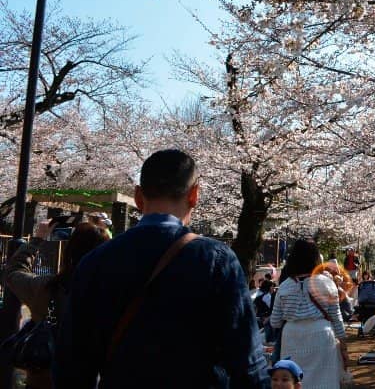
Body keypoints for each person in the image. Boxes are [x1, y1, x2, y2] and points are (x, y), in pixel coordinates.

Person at [54, 149, 269, 388]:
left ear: (138, 196)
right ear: (194, 195)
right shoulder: (217, 261)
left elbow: (71, 364)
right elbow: (247, 361)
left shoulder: (95, 262)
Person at [2, 221, 107, 389]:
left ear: (69, 251)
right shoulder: (109, 294)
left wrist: (37, 239)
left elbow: (14, 272)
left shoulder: (47, 288)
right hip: (86, 379)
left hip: (43, 379)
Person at [269, 239, 348, 388]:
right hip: (322, 336)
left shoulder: (285, 286)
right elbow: (337, 318)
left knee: (295, 379)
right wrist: (343, 346)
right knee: (323, 381)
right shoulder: (327, 283)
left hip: (292, 337)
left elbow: (275, 322)